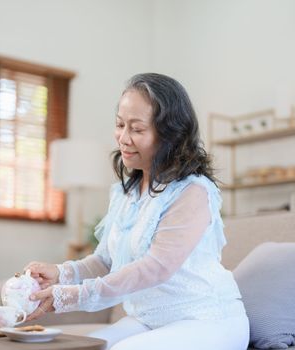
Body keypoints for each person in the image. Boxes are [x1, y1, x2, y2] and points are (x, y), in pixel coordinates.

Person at [24, 73, 249, 350]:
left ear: (170, 134)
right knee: (82, 347)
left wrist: (74, 296)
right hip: (150, 319)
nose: (123, 138)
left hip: (207, 320)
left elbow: (156, 268)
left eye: (137, 129)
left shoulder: (192, 191)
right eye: (120, 125)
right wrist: (60, 273)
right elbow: (106, 260)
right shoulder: (126, 193)